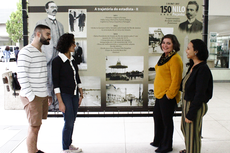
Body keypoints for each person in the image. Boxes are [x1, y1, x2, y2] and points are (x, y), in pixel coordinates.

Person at [17, 24, 52, 153]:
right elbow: (21, 76)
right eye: (47, 34)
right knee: (34, 126)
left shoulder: (41, 53)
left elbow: (42, 75)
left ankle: (34, 150)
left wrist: (47, 93)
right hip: (33, 96)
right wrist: (31, 96)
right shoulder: (26, 51)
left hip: (41, 95)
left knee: (37, 126)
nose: (50, 37)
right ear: (38, 34)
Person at [150, 34, 183, 153]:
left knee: (166, 121)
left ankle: (166, 145)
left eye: (168, 43)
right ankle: (158, 140)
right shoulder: (164, 56)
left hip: (167, 95)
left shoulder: (175, 59)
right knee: (157, 117)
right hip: (160, 94)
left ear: (174, 44)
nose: (165, 45)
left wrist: (170, 94)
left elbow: (176, 79)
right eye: (163, 43)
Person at [179, 39, 213, 153]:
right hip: (187, 103)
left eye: (189, 48)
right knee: (185, 130)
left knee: (192, 136)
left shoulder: (202, 69)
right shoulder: (193, 66)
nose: (186, 51)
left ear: (196, 51)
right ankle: (189, 150)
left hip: (194, 105)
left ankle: (192, 150)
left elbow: (200, 94)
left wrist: (191, 113)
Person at [52, 33, 83, 153]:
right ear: (66, 44)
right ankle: (65, 148)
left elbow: (77, 78)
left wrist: (81, 94)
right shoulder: (57, 61)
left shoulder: (72, 60)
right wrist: (60, 102)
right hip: (65, 95)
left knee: (72, 120)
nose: (75, 45)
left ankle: (69, 144)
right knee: (68, 121)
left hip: (74, 94)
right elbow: (56, 84)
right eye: (73, 43)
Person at [31, 1, 64, 111]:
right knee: (48, 80)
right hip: (47, 56)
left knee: (57, 80)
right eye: (52, 7)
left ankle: (57, 103)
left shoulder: (60, 25)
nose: (55, 9)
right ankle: (49, 105)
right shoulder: (41, 23)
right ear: (47, 9)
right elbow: (33, 39)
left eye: (55, 7)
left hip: (58, 56)